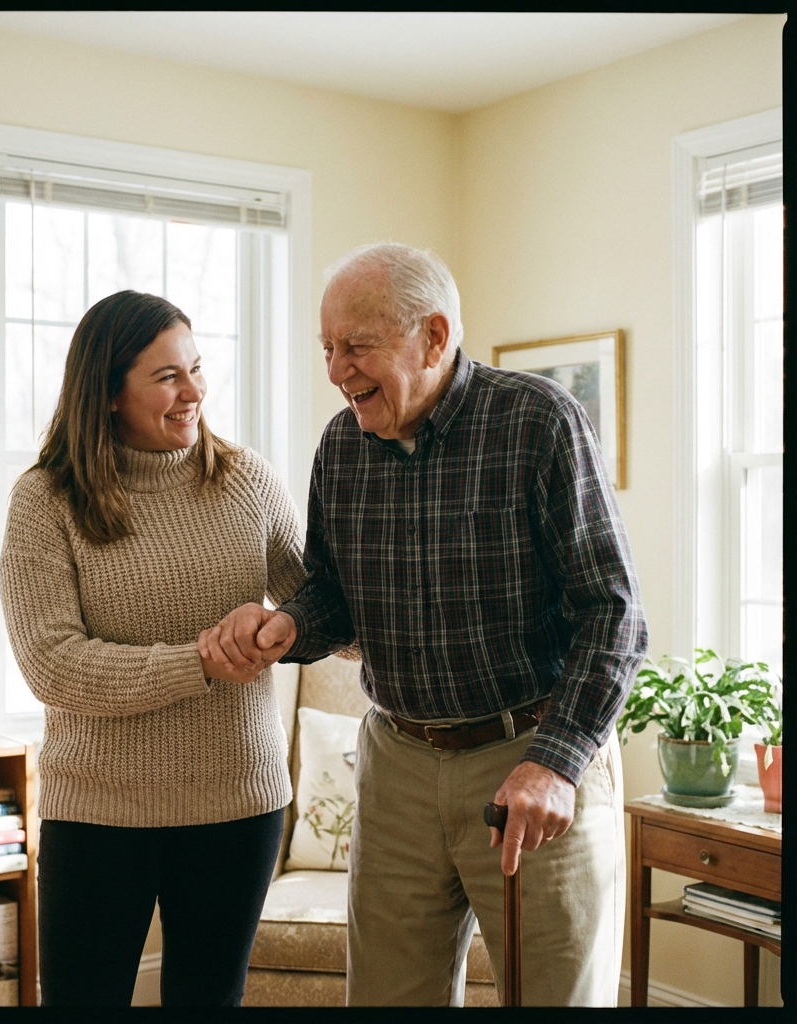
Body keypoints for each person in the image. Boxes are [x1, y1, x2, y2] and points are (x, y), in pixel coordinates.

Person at [200, 243, 648, 1006]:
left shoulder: (537, 421)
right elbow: (334, 597)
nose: (337, 370)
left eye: (357, 346)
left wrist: (556, 760)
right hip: (400, 760)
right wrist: (286, 629)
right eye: (328, 349)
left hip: (529, 755)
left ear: (433, 337)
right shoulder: (343, 446)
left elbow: (614, 612)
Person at [0, 290, 305, 1008]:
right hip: (98, 811)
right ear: (106, 393)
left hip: (239, 802)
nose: (195, 392)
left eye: (197, 369)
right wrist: (199, 660)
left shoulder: (248, 479)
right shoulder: (45, 500)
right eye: (168, 377)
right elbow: (53, 665)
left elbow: (323, 610)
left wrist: (281, 625)